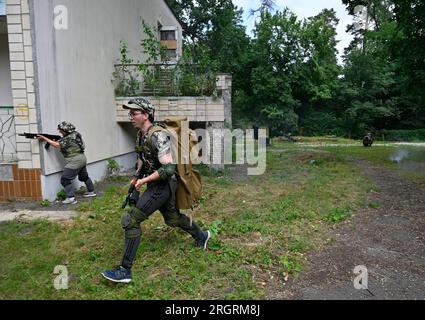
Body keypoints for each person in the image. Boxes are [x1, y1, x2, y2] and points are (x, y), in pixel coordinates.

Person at [101, 98, 211, 284]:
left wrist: (144, 180)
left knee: (130, 220)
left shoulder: (157, 136)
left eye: (134, 113)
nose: (131, 117)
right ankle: (202, 235)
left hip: (163, 185)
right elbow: (144, 159)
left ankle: (124, 270)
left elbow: (168, 168)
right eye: (130, 113)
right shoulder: (141, 135)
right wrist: (136, 177)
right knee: (173, 219)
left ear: (146, 115)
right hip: (157, 184)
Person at [37, 122, 96, 204]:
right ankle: (91, 192)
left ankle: (71, 198)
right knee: (83, 177)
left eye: (61, 130)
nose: (59, 131)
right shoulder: (76, 134)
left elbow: (57, 145)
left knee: (65, 179)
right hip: (82, 158)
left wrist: (45, 138)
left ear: (66, 130)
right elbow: (65, 141)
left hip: (75, 161)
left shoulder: (67, 139)